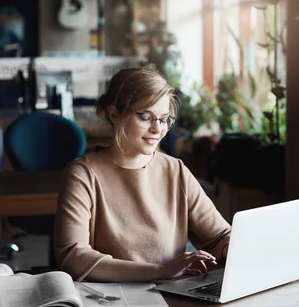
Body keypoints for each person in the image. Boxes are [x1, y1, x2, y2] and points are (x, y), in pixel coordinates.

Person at [54, 67, 230, 282]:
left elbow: (218, 236)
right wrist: (160, 271)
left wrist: (231, 246)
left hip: (174, 298)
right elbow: (73, 257)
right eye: (146, 117)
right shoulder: (83, 175)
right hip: (112, 301)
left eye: (164, 119)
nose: (158, 129)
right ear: (114, 114)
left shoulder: (176, 170)